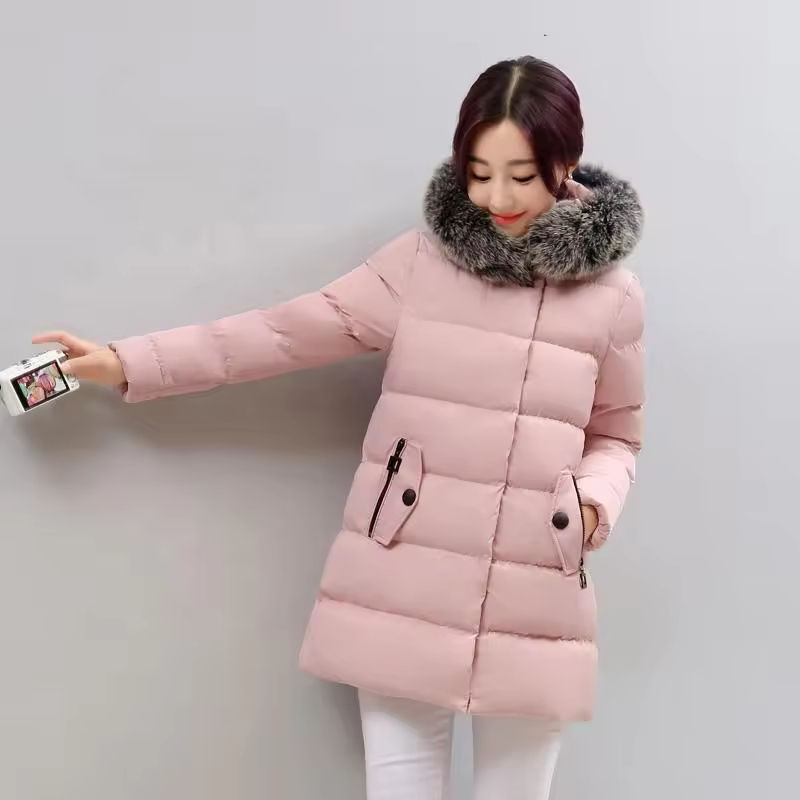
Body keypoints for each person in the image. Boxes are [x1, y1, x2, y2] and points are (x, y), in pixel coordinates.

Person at [33, 55, 644, 800]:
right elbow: (279, 334)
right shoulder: (419, 266)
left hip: (536, 592)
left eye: (521, 175)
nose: (497, 197)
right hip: (399, 579)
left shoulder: (613, 298)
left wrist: (591, 505)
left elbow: (618, 433)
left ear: (566, 162)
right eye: (479, 173)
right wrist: (128, 361)